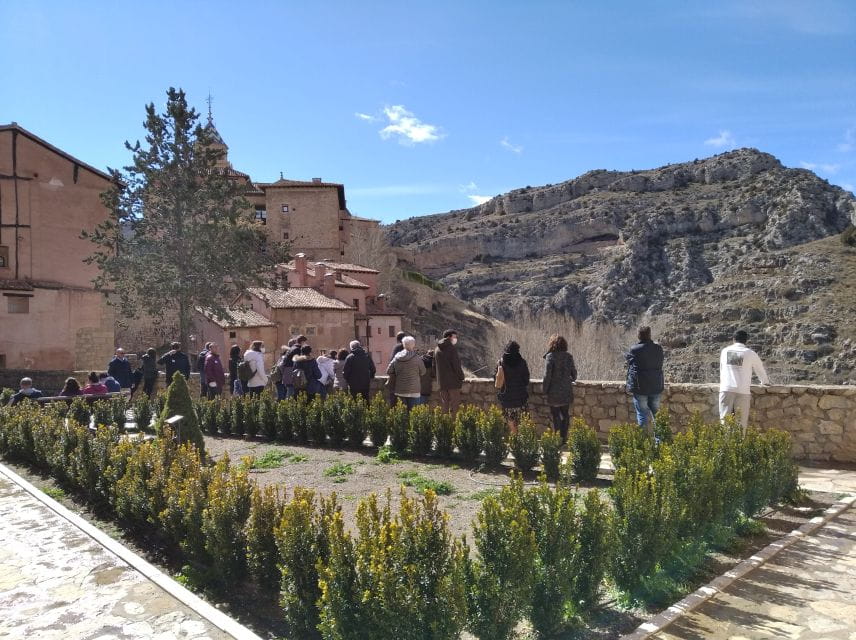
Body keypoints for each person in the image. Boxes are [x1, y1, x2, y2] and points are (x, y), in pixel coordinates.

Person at [719, 329, 770, 431]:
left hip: (726, 389)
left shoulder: (725, 351)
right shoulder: (750, 353)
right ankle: (739, 445)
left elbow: (722, 368)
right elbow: (760, 370)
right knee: (741, 423)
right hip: (743, 391)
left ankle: (724, 445)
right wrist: (765, 382)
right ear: (746, 341)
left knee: (724, 421)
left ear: (733, 339)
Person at [625, 325, 665, 432]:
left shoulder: (634, 349)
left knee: (642, 415)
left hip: (640, 387)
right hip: (656, 386)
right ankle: (660, 444)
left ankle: (643, 445)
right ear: (649, 334)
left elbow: (630, 363)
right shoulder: (658, 348)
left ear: (639, 335)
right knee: (658, 416)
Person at [542, 334, 578, 442]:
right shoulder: (568, 356)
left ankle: (558, 438)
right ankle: (564, 437)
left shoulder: (550, 357)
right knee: (565, 414)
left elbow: (547, 375)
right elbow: (574, 374)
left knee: (556, 415)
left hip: (553, 392)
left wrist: (545, 390)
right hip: (566, 391)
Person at [495, 341, 530, 433]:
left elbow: (496, 378)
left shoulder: (501, 363)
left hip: (507, 398)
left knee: (510, 420)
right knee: (522, 421)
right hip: (520, 397)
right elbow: (526, 380)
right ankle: (521, 441)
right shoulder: (522, 362)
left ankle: (513, 439)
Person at [387, 336, 427, 410]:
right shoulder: (417, 358)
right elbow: (423, 372)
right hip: (414, 390)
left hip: (400, 390)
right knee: (414, 415)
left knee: (401, 415)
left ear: (403, 344)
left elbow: (389, 370)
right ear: (413, 345)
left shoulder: (397, 357)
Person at [434, 329, 465, 415]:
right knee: (455, 406)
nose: (456, 339)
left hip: (442, 383)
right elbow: (456, 365)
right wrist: (461, 376)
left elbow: (434, 366)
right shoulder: (451, 348)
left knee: (445, 405)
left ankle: (445, 425)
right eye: (454, 337)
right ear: (449, 337)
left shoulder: (437, 349)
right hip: (453, 382)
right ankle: (454, 426)